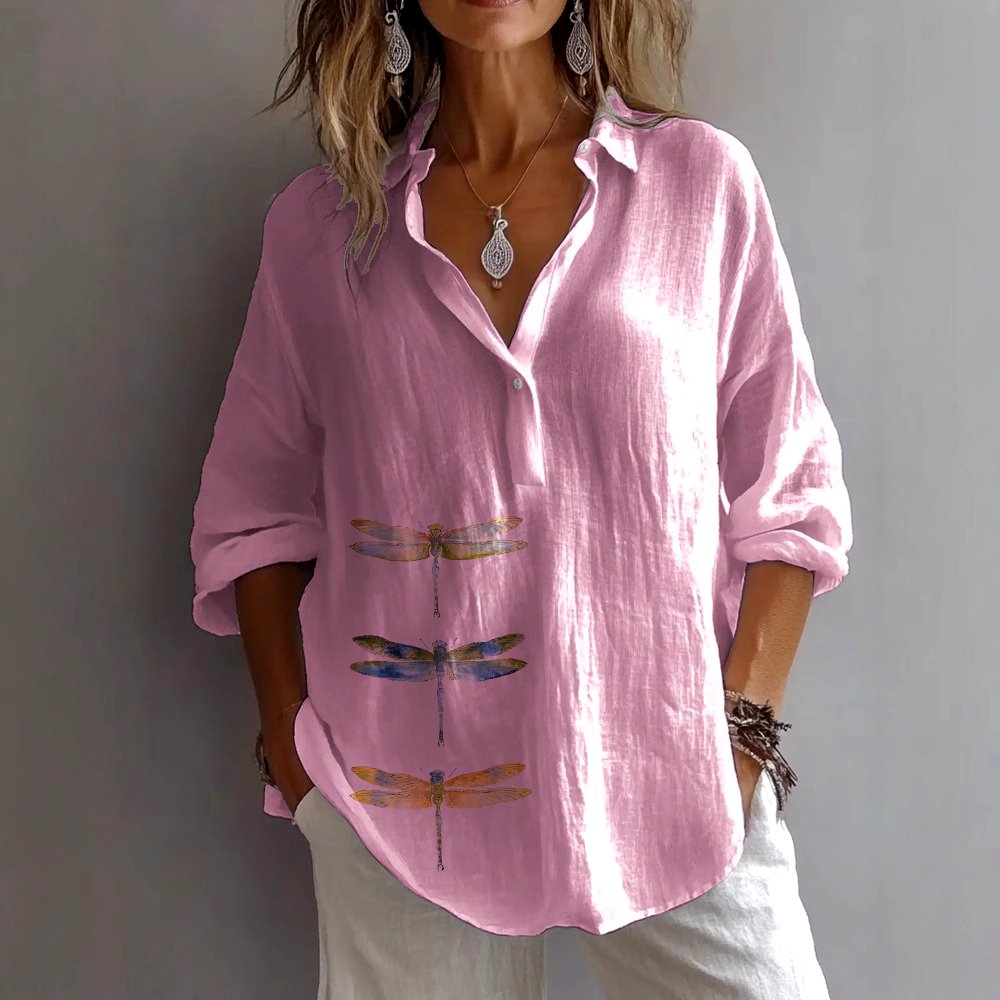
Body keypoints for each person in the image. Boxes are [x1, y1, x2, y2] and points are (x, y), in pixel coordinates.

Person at [189, 0, 853, 996]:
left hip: (674, 771)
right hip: (400, 801)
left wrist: (742, 733)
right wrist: (294, 748)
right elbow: (254, 509)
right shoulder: (324, 226)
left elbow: (791, 485)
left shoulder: (700, 185)